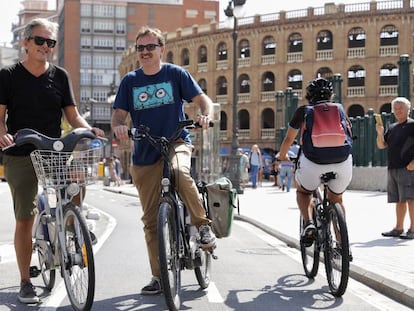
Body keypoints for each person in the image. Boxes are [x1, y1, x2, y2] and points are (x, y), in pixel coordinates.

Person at [0, 18, 104, 304]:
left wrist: (88, 128)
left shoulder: (60, 76)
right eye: (40, 41)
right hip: (20, 152)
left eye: (50, 42)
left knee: (78, 181)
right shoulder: (8, 75)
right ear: (26, 43)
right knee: (25, 217)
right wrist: (3, 134)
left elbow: (73, 116)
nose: (45, 46)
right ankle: (25, 281)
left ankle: (73, 225)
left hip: (55, 149)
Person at [111, 26, 216, 295]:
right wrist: (119, 127)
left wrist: (205, 114)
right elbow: (118, 116)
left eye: (150, 47)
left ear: (161, 49)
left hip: (176, 141)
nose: (145, 52)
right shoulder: (130, 81)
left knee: (181, 173)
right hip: (144, 152)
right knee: (150, 220)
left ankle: (202, 226)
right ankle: (158, 276)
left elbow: (203, 100)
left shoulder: (175, 74)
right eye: (141, 48)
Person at [278, 78, 352, 247]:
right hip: (342, 161)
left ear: (308, 96)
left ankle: (309, 222)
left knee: (303, 192)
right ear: (331, 95)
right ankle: (343, 245)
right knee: (337, 199)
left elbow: (289, 138)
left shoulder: (303, 111)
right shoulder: (340, 109)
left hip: (313, 161)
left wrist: (282, 156)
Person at [376, 97, 414, 239]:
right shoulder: (392, 127)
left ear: (408, 109)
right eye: (395, 108)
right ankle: (398, 228)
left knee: (411, 198)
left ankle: (413, 229)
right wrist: (380, 133)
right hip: (393, 168)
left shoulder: (412, 125)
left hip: (408, 168)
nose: (397, 111)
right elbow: (381, 145)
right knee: (399, 199)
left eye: (401, 108)